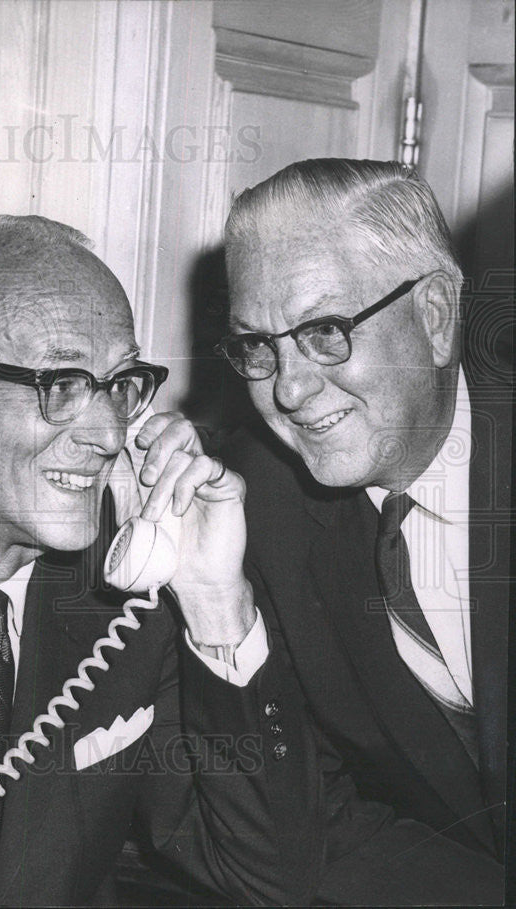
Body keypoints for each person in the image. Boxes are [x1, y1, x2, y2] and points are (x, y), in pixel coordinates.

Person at [0, 214, 319, 906]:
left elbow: (270, 876)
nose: (110, 433)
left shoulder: (129, 600)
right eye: (60, 383)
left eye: (119, 383)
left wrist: (212, 598)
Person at [218, 158, 511, 904]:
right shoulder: (260, 505)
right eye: (258, 344)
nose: (288, 388)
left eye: (324, 330)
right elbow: (310, 822)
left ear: (436, 314)